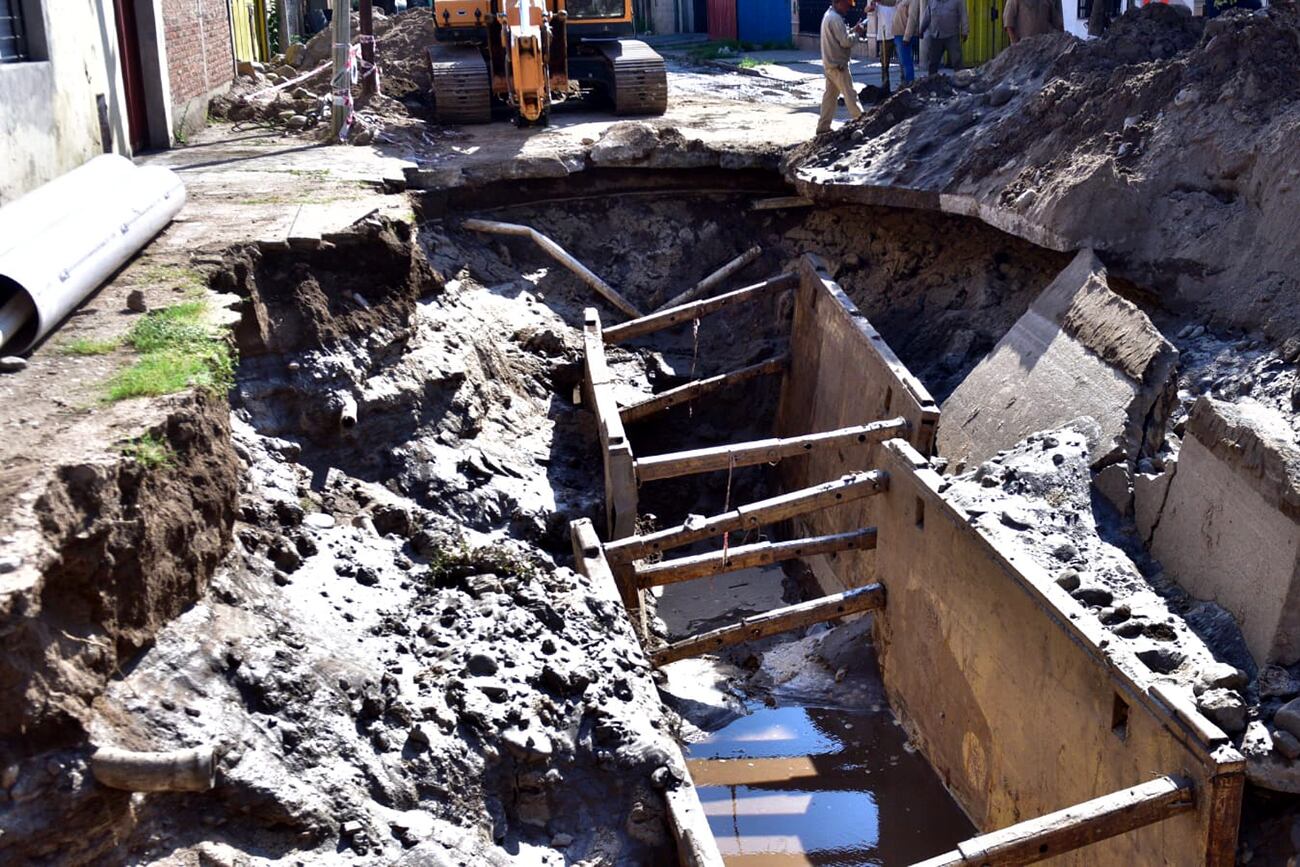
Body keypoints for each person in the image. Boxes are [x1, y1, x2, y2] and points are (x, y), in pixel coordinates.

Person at [818, 0, 866, 135]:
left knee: (829, 98)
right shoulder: (836, 19)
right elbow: (845, 42)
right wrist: (857, 33)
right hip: (838, 65)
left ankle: (823, 127)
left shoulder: (829, 15)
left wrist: (852, 30)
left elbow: (840, 36)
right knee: (850, 95)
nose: (848, 8)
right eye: (847, 5)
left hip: (829, 64)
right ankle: (862, 121)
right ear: (839, 2)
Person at [920, 0, 967, 76]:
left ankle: (961, 79)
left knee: (957, 61)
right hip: (936, 36)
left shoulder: (958, 1)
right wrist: (921, 30)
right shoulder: (932, 1)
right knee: (933, 62)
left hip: (952, 35)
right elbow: (927, 16)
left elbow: (963, 15)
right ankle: (931, 80)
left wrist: (965, 31)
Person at [868, 0, 898, 91]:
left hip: (897, 34)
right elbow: (867, 9)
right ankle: (885, 86)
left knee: (903, 63)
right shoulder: (879, 4)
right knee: (885, 64)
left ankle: (904, 85)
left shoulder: (897, 3)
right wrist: (872, 5)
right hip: (884, 37)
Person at [894, 0, 919, 84]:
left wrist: (907, 37)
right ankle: (905, 84)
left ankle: (910, 83)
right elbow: (890, 2)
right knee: (902, 62)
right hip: (899, 34)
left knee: (906, 62)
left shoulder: (913, 1)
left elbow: (912, 18)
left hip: (904, 35)